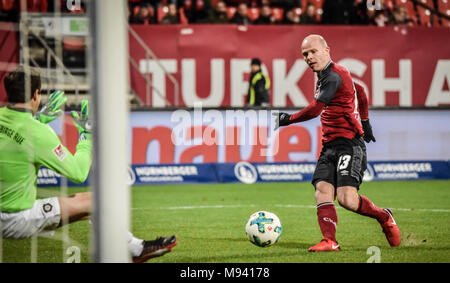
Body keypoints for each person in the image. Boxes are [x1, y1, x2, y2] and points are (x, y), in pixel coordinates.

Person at [0, 66, 177, 262]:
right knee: (99, 200)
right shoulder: (38, 133)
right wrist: (86, 136)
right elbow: (78, 172)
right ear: (36, 95)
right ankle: (131, 251)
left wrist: (38, 119)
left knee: (87, 206)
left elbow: (15, 138)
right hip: (16, 219)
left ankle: (135, 248)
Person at [274, 35, 401, 252]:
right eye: (305, 54)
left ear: (327, 50)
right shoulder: (331, 74)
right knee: (322, 190)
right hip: (329, 145)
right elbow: (359, 91)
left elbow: (315, 109)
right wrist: (366, 121)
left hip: (349, 144)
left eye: (313, 52)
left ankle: (384, 216)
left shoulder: (332, 76)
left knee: (347, 200)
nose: (309, 57)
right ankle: (330, 241)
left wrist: (288, 119)